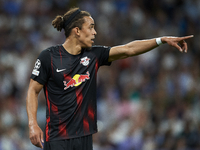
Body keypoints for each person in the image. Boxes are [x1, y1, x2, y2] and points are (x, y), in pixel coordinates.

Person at [26, 7, 193, 150]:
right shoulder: (49, 57)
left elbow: (129, 49)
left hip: (84, 137)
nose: (95, 32)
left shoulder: (94, 55)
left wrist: (160, 40)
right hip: (56, 138)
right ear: (77, 31)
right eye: (90, 27)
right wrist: (33, 124)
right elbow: (33, 91)